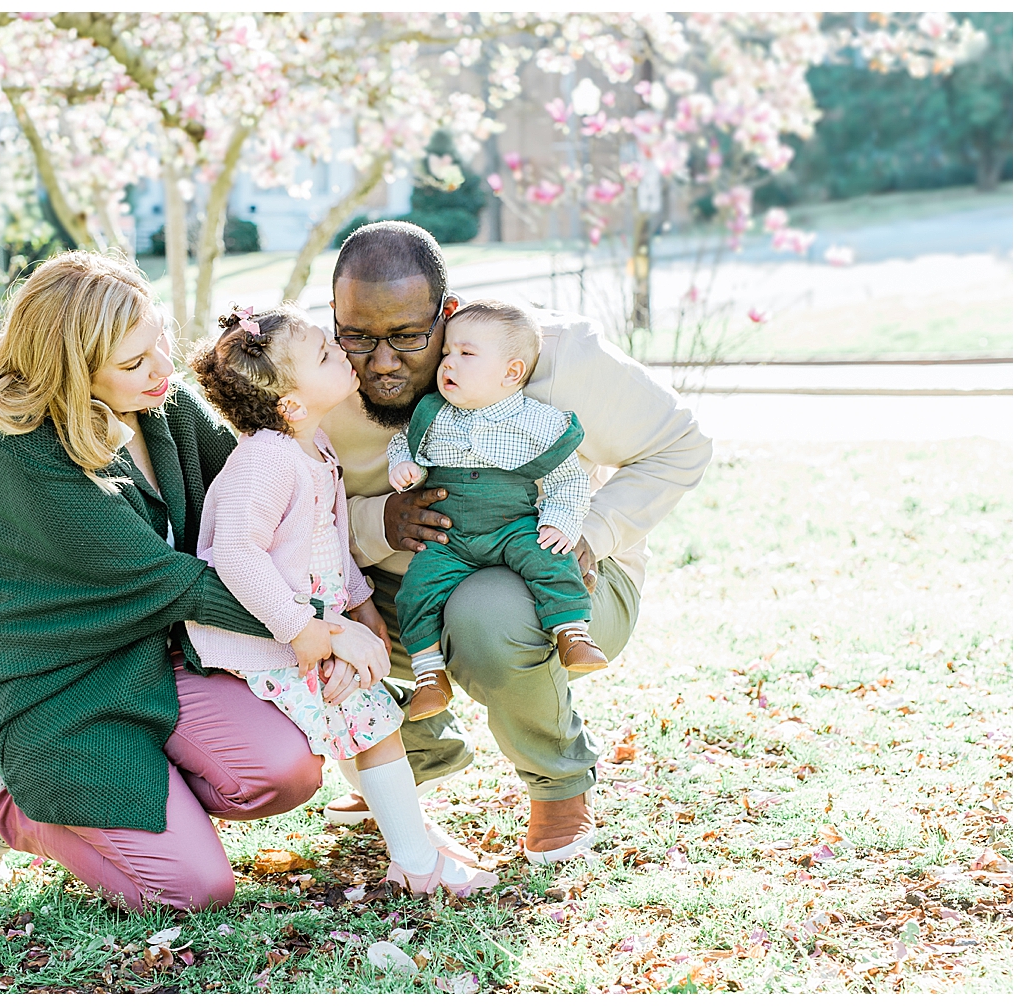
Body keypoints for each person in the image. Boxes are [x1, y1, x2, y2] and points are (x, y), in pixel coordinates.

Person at [0, 251, 388, 911]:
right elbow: (172, 582)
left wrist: (353, 595)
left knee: (285, 773)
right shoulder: (21, 449)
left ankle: (139, 801)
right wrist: (322, 630)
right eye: (133, 362)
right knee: (192, 890)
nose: (161, 370)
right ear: (70, 370)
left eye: (160, 343)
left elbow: (251, 514)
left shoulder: (162, 407)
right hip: (60, 687)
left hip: (164, 655)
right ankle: (5, 805)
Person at [320, 221, 713, 864]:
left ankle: (559, 783)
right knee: (291, 606)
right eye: (358, 337)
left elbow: (680, 444)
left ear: (447, 316)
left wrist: (590, 533)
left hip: (560, 584)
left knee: (489, 609)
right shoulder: (320, 376)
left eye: (409, 338)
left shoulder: (552, 353)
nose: (382, 363)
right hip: (405, 586)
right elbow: (292, 515)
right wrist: (378, 522)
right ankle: (404, 752)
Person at [185, 304, 498, 896]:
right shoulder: (266, 462)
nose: (341, 352)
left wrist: (362, 606)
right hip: (275, 638)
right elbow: (235, 555)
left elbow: (329, 545)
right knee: (372, 721)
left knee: (366, 715)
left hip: (315, 625)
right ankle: (417, 864)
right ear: (291, 405)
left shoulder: (311, 445)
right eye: (326, 353)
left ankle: (412, 845)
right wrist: (301, 627)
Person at [386, 299, 608, 723]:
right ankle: (430, 674)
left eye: (466, 354)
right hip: (448, 536)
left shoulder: (537, 422)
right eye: (447, 352)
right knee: (416, 586)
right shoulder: (432, 415)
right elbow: (404, 443)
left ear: (512, 372)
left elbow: (569, 477)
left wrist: (561, 520)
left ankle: (572, 632)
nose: (448, 363)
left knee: (551, 556)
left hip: (512, 524)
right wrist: (405, 466)